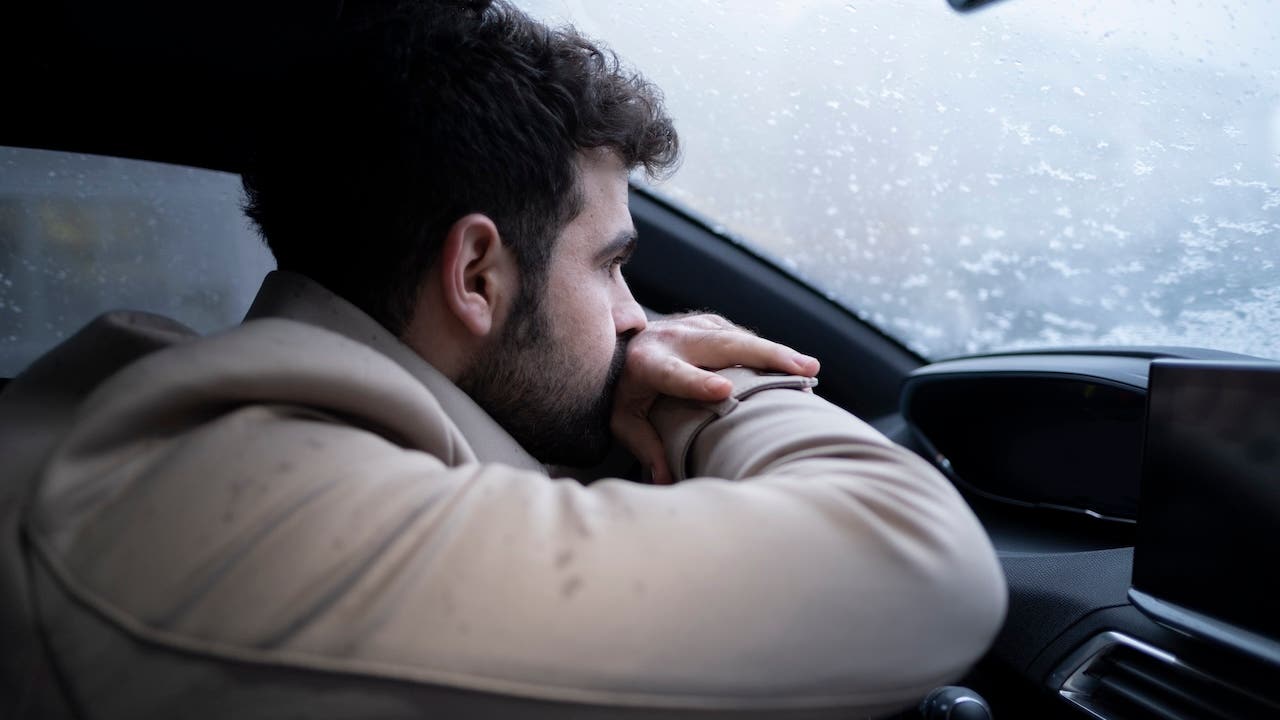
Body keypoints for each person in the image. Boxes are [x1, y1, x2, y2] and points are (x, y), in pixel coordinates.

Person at [0, 1, 1006, 717]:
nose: (634, 320)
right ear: (477, 274)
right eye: (611, 268)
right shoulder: (239, 500)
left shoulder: (266, 445)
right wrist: (717, 390)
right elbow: (924, 566)